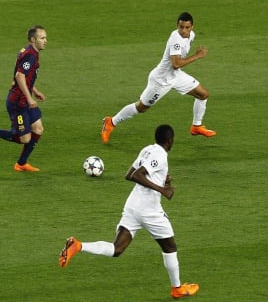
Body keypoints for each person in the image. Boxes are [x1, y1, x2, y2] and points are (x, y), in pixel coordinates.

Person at [59, 124, 199, 300]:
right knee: (170, 247)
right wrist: (163, 190)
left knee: (116, 249)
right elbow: (137, 175)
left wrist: (163, 180)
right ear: (170, 141)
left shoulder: (148, 150)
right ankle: (177, 289)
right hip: (149, 210)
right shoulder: (160, 155)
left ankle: (78, 246)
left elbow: (129, 174)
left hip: (133, 205)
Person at [101, 12, 215, 144]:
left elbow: (176, 67)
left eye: (187, 27)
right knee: (141, 107)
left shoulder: (191, 36)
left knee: (203, 94)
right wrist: (197, 56)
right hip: (161, 81)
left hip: (175, 76)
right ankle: (111, 122)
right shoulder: (175, 40)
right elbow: (176, 64)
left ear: (192, 27)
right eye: (181, 27)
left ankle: (196, 126)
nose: (184, 30)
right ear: (176, 25)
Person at [0, 26, 47, 172]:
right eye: (42, 38)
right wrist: (29, 98)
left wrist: (34, 91)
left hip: (25, 98)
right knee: (24, 139)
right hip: (18, 103)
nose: (45, 41)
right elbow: (19, 76)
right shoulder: (30, 55)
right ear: (33, 40)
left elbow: (22, 75)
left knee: (38, 128)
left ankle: (21, 164)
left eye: (45, 38)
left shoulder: (29, 51)